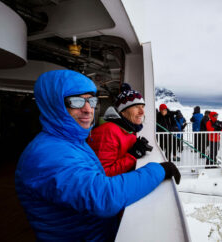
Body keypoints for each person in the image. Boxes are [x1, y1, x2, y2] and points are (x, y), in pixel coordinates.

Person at [15, 70, 181, 241]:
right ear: (54, 105)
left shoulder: (74, 142)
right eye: (76, 101)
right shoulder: (46, 155)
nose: (88, 110)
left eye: (91, 101)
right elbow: (103, 196)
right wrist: (157, 170)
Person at [87, 83, 149, 176]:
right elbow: (103, 174)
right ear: (123, 111)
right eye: (136, 107)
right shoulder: (108, 132)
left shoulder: (129, 129)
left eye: (142, 106)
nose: (142, 112)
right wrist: (133, 155)